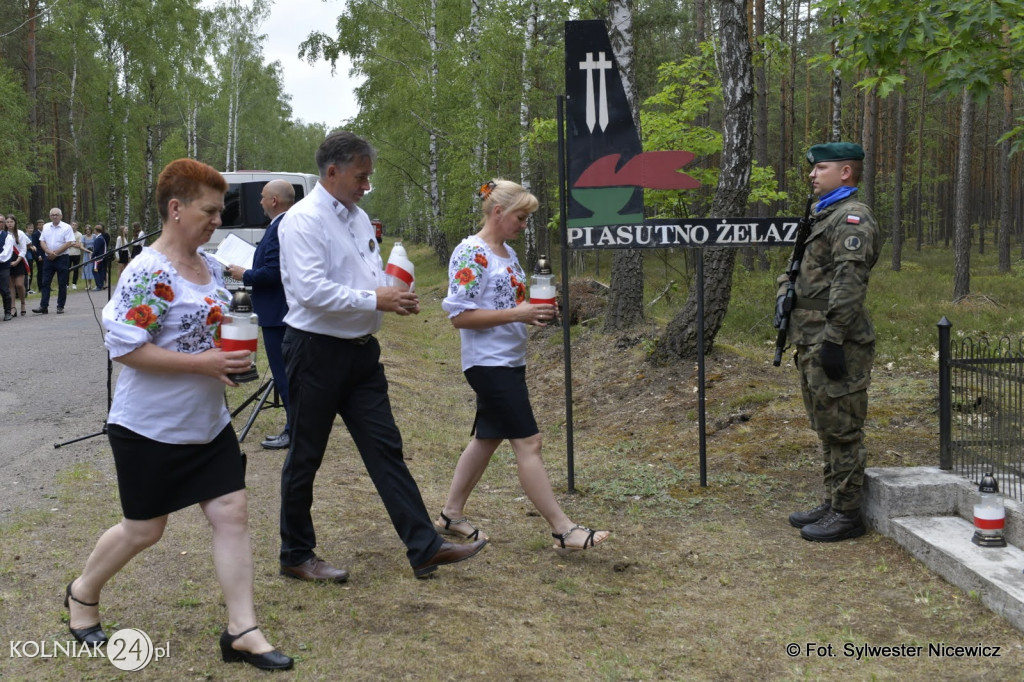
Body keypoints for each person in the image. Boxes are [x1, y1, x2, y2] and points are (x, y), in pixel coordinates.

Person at [64, 159, 293, 670]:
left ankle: (242, 630)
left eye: (220, 210)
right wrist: (204, 362)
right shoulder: (149, 272)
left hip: (206, 424)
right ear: (176, 209)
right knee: (145, 530)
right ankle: (82, 593)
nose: (218, 219)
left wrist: (226, 357)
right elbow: (125, 348)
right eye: (209, 210)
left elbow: (210, 330)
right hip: (149, 427)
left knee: (231, 514)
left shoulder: (211, 268)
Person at [278, 130, 487, 581]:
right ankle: (295, 553)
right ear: (331, 172)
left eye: (368, 176)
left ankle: (424, 546)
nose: (366, 185)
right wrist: (375, 300)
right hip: (315, 351)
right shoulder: (302, 220)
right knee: (305, 454)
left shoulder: (357, 217)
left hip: (360, 355)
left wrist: (393, 294)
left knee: (385, 448)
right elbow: (311, 292)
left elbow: (368, 275)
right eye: (360, 175)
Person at [437, 180, 610, 551]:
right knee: (529, 442)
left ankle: (451, 514)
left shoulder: (508, 253)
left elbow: (508, 307)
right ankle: (564, 530)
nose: (524, 225)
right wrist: (519, 311)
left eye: (527, 218)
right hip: (488, 363)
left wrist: (535, 312)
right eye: (521, 216)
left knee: (488, 437)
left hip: (510, 359)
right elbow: (460, 317)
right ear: (497, 212)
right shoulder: (472, 253)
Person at [782, 142, 880, 542]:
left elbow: (849, 282)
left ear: (845, 173)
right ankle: (833, 500)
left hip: (835, 338)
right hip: (809, 336)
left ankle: (848, 513)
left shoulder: (852, 218)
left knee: (843, 428)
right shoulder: (823, 215)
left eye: (820, 167)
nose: (811, 174)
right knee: (826, 424)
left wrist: (834, 339)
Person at [226, 179, 295, 450]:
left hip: (278, 314)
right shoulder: (283, 225)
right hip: (280, 312)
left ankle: (294, 430)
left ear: (274, 201)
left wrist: (245, 274)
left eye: (263, 197)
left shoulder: (280, 227)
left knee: (285, 375)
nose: (260, 202)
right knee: (287, 374)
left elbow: (275, 272)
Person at [33, 208, 75, 314]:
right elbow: (41, 240)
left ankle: (60, 306)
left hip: (62, 258)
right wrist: (47, 251)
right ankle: (43, 306)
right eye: (52, 215)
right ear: (50, 216)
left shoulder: (67, 227)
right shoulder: (46, 226)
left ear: (61, 216)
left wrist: (55, 253)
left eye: (56, 215)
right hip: (48, 258)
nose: (54, 216)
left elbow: (69, 242)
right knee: (45, 282)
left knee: (62, 283)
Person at [8, 216, 29, 316]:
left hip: (19, 260)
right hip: (7, 261)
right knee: (10, 286)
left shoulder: (20, 233)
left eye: (11, 221)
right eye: (7, 222)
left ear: (15, 222)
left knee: (19, 285)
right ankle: (13, 307)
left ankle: (23, 303)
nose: (9, 224)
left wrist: (17, 261)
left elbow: (23, 249)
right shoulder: (4, 234)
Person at [0, 213, 11, 321]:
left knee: (4, 289)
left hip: (3, 267)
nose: (0, 224)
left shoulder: (8, 236)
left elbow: (6, 253)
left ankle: (8, 312)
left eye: (2, 222)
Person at [91, 224, 108, 291]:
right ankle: (100, 284)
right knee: (100, 271)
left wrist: (92, 256)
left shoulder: (98, 239)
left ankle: (99, 285)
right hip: (101, 258)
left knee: (95, 270)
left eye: (94, 230)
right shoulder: (101, 237)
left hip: (97, 258)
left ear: (96, 230)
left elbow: (96, 249)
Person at [68, 221, 84, 290]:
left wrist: (71, 244)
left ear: (77, 226)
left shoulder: (79, 234)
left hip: (76, 254)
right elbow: (66, 244)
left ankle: (74, 283)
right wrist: (74, 243)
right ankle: (66, 284)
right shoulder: (67, 234)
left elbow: (79, 245)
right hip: (68, 254)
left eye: (75, 225)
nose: (73, 226)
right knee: (67, 269)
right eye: (72, 225)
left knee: (76, 269)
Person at [80, 223, 95, 289]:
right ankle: (89, 285)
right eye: (86, 230)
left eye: (89, 229)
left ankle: (97, 283)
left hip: (94, 253)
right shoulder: (83, 237)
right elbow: (81, 246)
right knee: (87, 268)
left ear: (91, 230)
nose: (88, 231)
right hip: (87, 254)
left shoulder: (94, 236)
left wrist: (94, 252)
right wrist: (88, 251)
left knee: (94, 268)